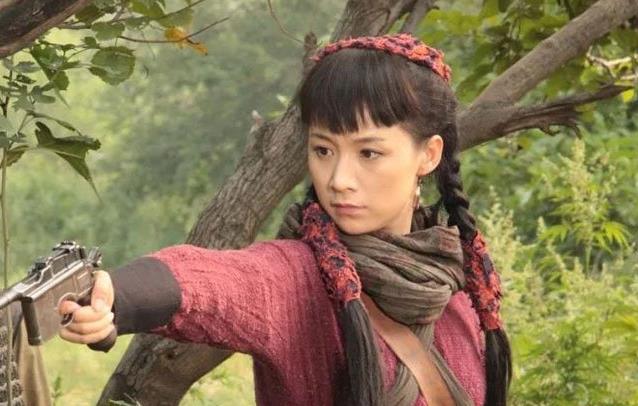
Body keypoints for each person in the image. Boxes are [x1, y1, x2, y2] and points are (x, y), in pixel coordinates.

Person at [57, 33, 512, 406]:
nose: (338, 179)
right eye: (323, 150)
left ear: (428, 155)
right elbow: (212, 280)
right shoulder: (297, 277)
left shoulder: (460, 286)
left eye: (369, 153)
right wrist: (115, 294)